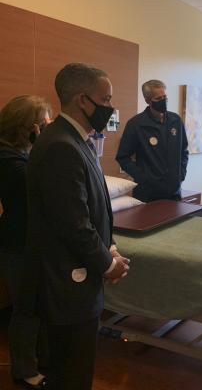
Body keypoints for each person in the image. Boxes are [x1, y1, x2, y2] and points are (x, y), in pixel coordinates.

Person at [26, 63, 130, 390]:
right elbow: (74, 224)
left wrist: (109, 246)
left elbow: (92, 206)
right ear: (83, 100)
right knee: (71, 372)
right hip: (66, 283)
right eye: (106, 98)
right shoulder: (60, 145)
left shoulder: (80, 140)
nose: (111, 108)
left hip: (79, 283)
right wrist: (108, 264)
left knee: (79, 368)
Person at [0, 95, 52, 389]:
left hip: (30, 241)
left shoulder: (21, 153)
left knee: (38, 307)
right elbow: (39, 186)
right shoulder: (8, 159)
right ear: (28, 125)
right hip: (17, 244)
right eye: (44, 122)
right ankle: (24, 370)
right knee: (26, 310)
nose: (47, 127)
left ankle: (41, 358)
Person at [116, 79, 189, 202]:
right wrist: (143, 178)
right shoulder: (136, 124)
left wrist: (180, 175)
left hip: (174, 192)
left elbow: (184, 151)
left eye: (165, 97)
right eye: (158, 98)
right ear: (147, 100)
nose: (163, 101)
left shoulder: (175, 120)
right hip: (147, 194)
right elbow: (123, 157)